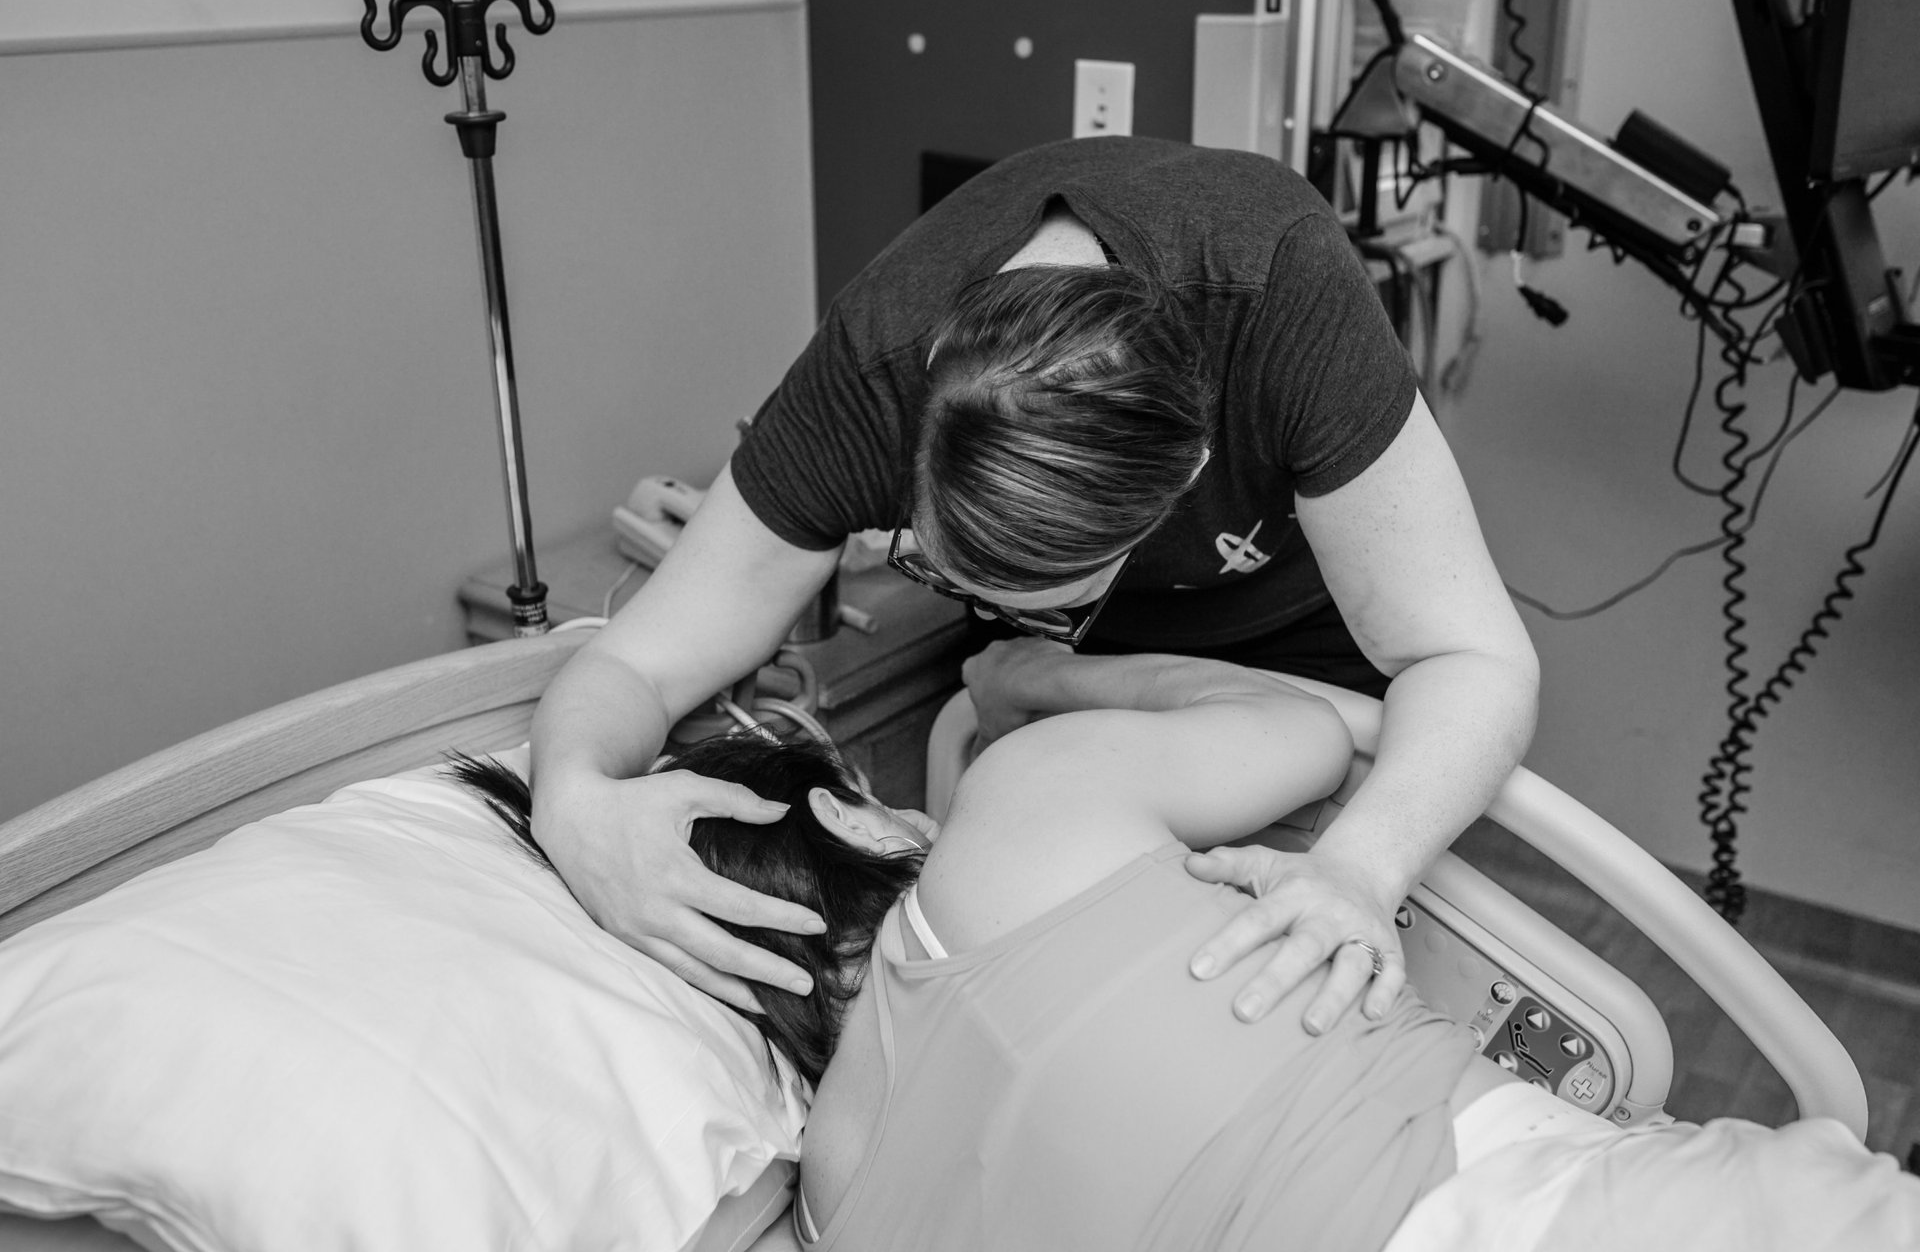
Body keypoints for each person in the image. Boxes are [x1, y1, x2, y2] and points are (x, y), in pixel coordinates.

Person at [528, 134, 1540, 1036]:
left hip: (1317, 649)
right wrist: (571, 799)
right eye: (944, 567)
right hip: (1082, 685)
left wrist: (1361, 866)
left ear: (1185, 477)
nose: (999, 604)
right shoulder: (871, 372)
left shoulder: (1276, 289)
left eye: (1047, 588)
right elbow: (637, 658)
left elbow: (1469, 658)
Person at [456, 644, 1917, 1252]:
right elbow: (1328, 722)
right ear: (848, 807)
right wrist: (1043, 681)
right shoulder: (1027, 807)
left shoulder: (839, 1201)